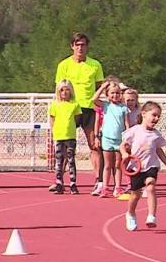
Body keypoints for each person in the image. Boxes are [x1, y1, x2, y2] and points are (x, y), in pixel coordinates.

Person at [55, 32, 105, 194]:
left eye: (83, 44)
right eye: (77, 45)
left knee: (95, 145)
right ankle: (59, 181)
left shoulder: (95, 65)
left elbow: (99, 86)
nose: (80, 48)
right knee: (64, 146)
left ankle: (99, 181)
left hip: (89, 108)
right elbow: (59, 88)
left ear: (87, 46)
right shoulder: (63, 65)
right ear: (72, 46)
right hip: (70, 109)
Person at [120, 101, 166, 231]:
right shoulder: (134, 131)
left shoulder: (156, 135)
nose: (156, 119)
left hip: (151, 165)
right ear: (144, 114)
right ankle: (131, 213)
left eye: (158, 117)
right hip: (136, 167)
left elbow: (158, 150)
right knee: (135, 195)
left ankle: (151, 216)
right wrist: (124, 154)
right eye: (154, 115)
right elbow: (123, 145)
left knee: (150, 186)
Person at [92, 81, 129, 197]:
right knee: (107, 165)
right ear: (107, 94)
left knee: (118, 165)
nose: (115, 95)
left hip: (119, 140)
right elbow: (94, 99)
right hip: (107, 139)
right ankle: (105, 187)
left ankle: (117, 187)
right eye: (112, 93)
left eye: (118, 93)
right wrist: (103, 87)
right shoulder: (105, 106)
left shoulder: (124, 108)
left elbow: (127, 124)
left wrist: (127, 139)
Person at [49, 79, 82, 195]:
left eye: (67, 89)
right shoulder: (55, 104)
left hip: (70, 136)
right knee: (59, 160)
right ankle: (59, 183)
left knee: (71, 160)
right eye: (62, 90)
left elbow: (77, 119)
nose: (64, 92)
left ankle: (73, 183)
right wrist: (54, 131)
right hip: (58, 135)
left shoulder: (75, 104)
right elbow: (52, 119)